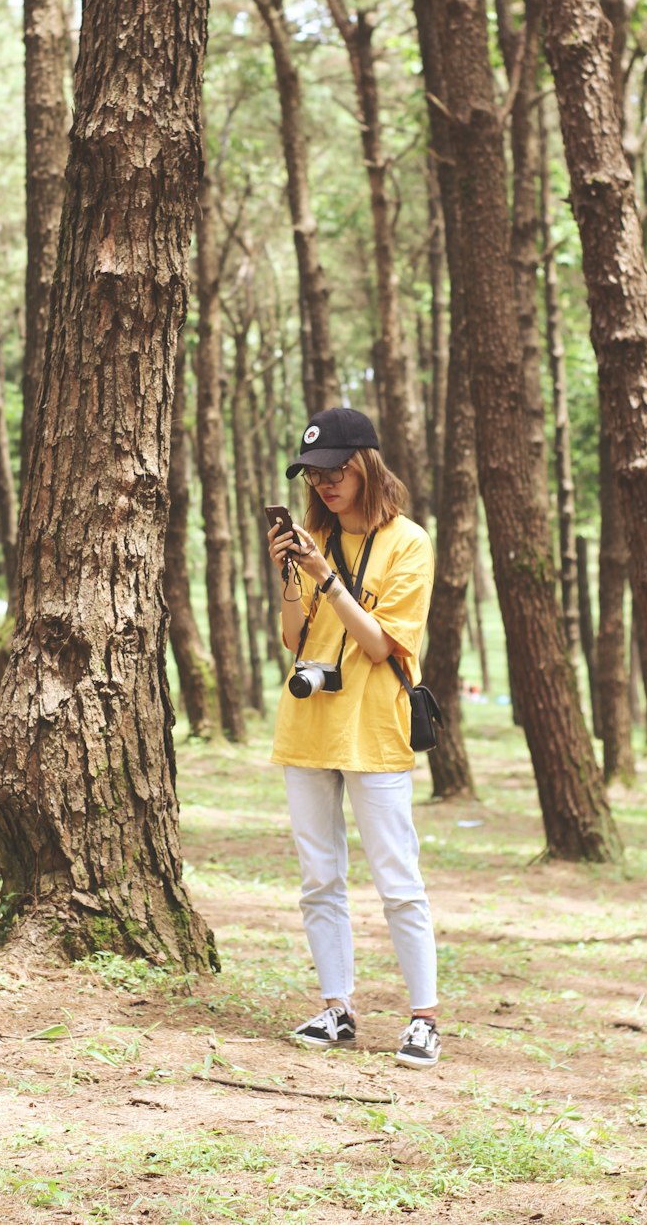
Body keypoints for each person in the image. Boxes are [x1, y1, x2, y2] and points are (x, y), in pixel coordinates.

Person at [267, 407, 440, 1068]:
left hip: (374, 727)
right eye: (313, 474)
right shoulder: (311, 540)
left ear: (366, 465)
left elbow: (378, 645)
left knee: (397, 877)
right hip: (308, 725)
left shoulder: (408, 543)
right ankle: (336, 1007)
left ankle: (423, 1017)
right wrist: (291, 576)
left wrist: (329, 580)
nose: (324, 484)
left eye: (335, 470)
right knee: (319, 879)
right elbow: (293, 639)